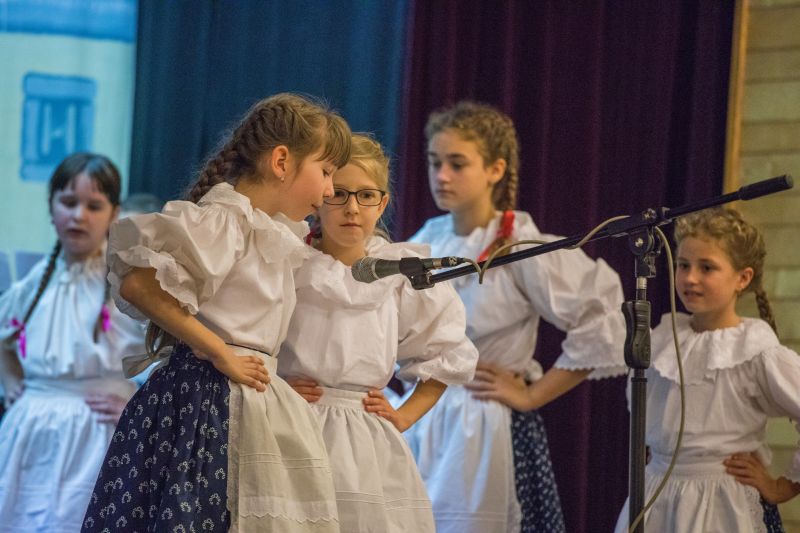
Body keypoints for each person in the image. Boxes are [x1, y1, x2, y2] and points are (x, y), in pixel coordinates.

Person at [81, 93, 351, 532]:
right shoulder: (226, 220)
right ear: (281, 161)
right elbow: (138, 285)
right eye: (325, 171)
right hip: (206, 405)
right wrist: (219, 352)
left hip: (248, 397)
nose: (329, 190)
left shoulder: (273, 232)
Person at [404, 101, 627, 532]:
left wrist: (532, 395)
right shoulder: (427, 240)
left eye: (457, 164)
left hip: (485, 424)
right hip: (423, 419)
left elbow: (600, 318)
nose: (442, 176)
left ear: (495, 169)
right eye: (434, 162)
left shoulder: (520, 245)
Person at [278, 133, 479, 532]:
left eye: (366, 195)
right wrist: (276, 388)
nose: (352, 208)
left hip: (364, 442)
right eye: (339, 194)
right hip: (291, 427)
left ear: (382, 203)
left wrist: (403, 417)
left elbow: (447, 353)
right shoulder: (289, 261)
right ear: (320, 196)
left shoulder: (400, 273)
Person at [614, 207, 800, 533]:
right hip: (656, 495)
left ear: (742, 278)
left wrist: (783, 487)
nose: (690, 278)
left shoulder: (755, 351)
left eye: (707, 267)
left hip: (721, 502)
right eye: (683, 265)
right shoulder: (664, 339)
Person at [0, 153, 146, 532]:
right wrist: (12, 382)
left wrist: (137, 404)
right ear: (51, 208)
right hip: (30, 439)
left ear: (113, 214)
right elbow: (3, 338)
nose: (78, 215)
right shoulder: (35, 283)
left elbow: (171, 355)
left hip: (96, 437)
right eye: (68, 202)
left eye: (93, 206)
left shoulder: (129, 287)